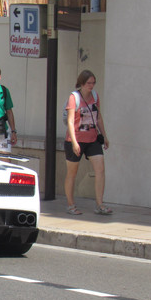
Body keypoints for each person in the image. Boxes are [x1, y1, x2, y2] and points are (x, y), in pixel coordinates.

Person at [64, 69, 112, 215]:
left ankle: (99, 204)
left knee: (100, 169)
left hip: (92, 138)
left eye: (93, 83)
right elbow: (70, 120)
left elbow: (98, 117)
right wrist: (74, 142)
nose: (91, 86)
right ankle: (71, 205)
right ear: (82, 83)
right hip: (76, 139)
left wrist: (104, 135)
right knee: (72, 172)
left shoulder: (95, 96)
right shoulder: (75, 97)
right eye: (88, 83)